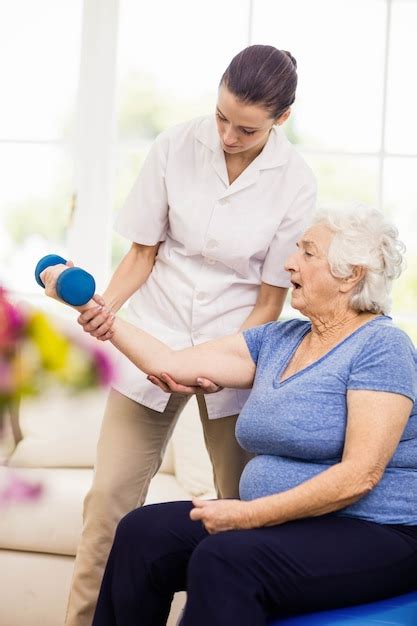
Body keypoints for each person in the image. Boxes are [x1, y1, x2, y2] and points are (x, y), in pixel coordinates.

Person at [42, 206, 417, 626]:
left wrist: (248, 514)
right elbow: (171, 363)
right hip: (289, 522)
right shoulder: (279, 339)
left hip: (373, 531)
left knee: (224, 559)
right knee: (142, 532)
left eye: (307, 254)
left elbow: (359, 475)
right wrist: (97, 312)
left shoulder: (382, 348)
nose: (289, 262)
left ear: (351, 275)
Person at [64, 44, 316, 626]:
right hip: (154, 333)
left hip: (233, 350)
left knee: (243, 506)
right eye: (222, 116)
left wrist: (217, 362)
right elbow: (142, 253)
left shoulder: (296, 181)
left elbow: (270, 300)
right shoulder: (175, 144)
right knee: (107, 503)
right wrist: (107, 310)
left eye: (246, 128)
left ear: (282, 120)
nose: (227, 134)